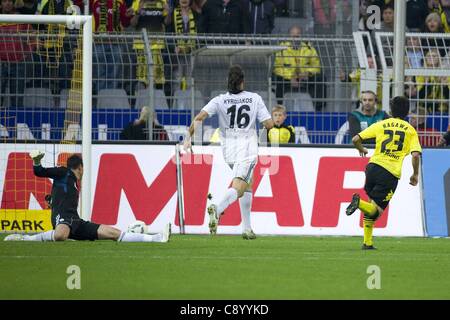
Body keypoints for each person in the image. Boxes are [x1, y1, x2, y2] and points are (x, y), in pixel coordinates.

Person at [183, 65, 274, 239]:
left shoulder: (220, 100)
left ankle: (247, 228)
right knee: (240, 186)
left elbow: (199, 117)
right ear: (242, 81)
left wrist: (188, 137)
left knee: (248, 183)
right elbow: (269, 124)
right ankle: (217, 208)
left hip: (228, 149)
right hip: (247, 147)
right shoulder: (254, 98)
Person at [4, 152, 171, 242]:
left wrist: (52, 200)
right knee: (61, 234)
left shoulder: (72, 184)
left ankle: (156, 238)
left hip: (75, 221)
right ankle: (25, 238)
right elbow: (39, 172)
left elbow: (59, 195)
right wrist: (36, 162)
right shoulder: (64, 172)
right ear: (80, 168)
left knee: (112, 232)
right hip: (63, 219)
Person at [346, 96, 422, 250]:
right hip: (389, 173)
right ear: (407, 112)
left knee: (371, 206)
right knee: (375, 212)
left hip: (372, 168)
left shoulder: (381, 124)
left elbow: (355, 138)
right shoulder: (410, 130)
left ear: (390, 110)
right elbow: (415, 155)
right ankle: (358, 203)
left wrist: (361, 149)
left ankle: (367, 243)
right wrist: (415, 174)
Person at [273, 25, 326, 111]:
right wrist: (290, 77)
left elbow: (316, 66)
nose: (295, 38)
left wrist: (307, 73)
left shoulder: (309, 48)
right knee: (278, 78)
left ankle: (318, 109)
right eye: (293, 36)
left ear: (301, 36)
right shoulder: (282, 49)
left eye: (297, 36)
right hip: (288, 78)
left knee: (320, 78)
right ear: (289, 37)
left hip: (305, 77)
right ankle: (279, 108)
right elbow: (277, 68)